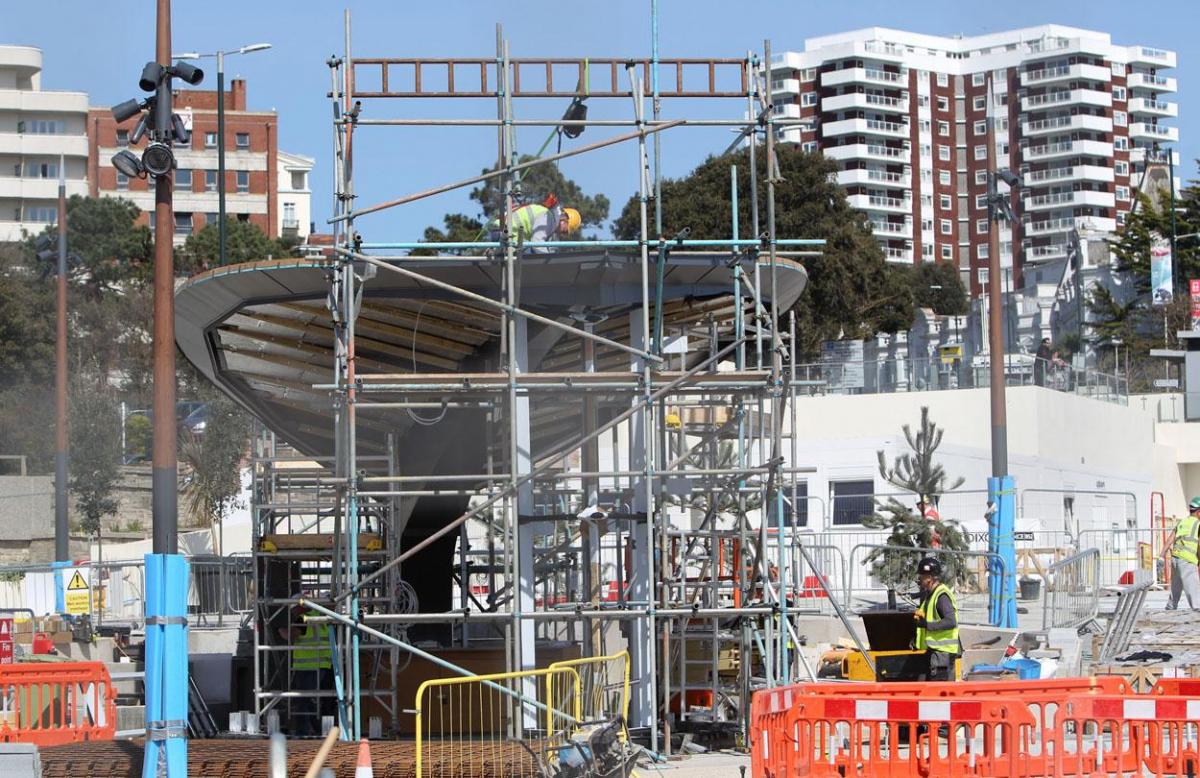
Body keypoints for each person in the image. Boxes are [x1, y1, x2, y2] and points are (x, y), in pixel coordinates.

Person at [279, 603, 334, 735]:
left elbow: (291, 635)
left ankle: (303, 731)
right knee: (317, 700)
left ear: (300, 607)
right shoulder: (320, 617)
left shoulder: (303, 618)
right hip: (323, 665)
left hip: (309, 667)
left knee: (303, 699)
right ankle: (320, 730)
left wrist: (280, 630)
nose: (293, 613)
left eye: (293, 609)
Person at [912, 556, 959, 681]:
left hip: (942, 654)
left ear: (930, 578)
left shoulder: (941, 596)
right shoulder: (930, 594)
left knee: (939, 695)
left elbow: (951, 621)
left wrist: (927, 625)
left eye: (922, 576)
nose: (920, 579)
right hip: (934, 652)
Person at [486, 202, 581, 253]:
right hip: (506, 233)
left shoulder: (547, 215)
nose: (562, 234)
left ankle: (493, 251)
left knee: (528, 247)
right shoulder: (549, 219)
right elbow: (537, 243)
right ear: (564, 220)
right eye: (565, 231)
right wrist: (549, 263)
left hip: (499, 232)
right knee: (531, 254)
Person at [1164, 498, 1200, 611]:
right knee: (1192, 590)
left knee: (1176, 587)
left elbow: (1170, 538)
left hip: (1175, 558)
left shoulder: (1182, 522)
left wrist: (1161, 555)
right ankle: (1197, 613)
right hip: (1188, 560)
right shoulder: (1198, 524)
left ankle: (1170, 609)